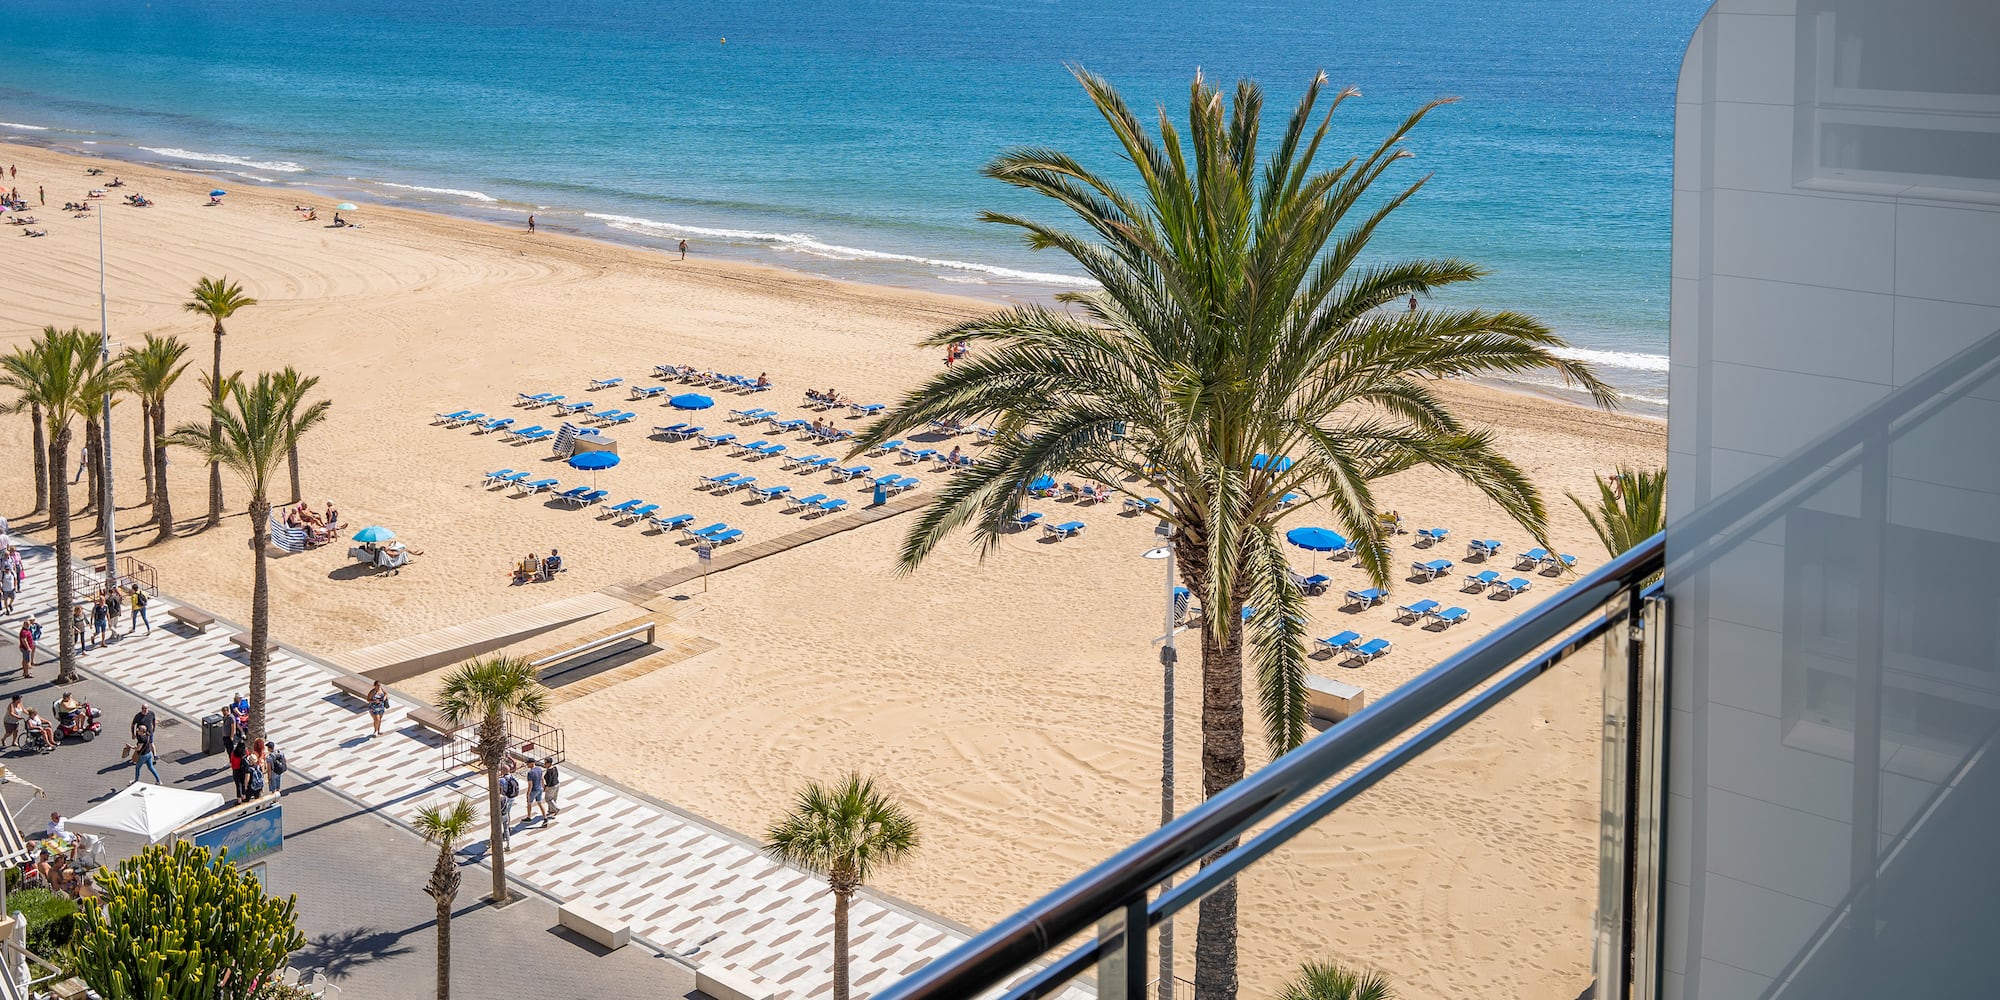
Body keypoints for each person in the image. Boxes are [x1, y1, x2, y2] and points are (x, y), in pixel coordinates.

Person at [498, 764, 520, 842]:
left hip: (505, 799)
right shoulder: (512, 777)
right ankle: (508, 827)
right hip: (511, 798)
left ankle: (504, 831)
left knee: (503, 814)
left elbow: (499, 789)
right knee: (508, 813)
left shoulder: (501, 780)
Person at [525, 759, 548, 825]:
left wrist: (528, 794)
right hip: (540, 789)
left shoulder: (530, 773)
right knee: (540, 803)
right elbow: (542, 778)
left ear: (532, 763)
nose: (527, 765)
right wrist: (543, 787)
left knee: (529, 804)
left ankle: (529, 817)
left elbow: (530, 785)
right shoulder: (539, 769)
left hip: (534, 790)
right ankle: (545, 818)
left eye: (528, 763)